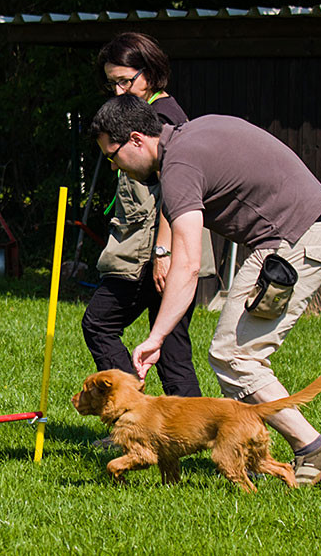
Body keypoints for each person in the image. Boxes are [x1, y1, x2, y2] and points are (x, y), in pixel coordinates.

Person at [89, 95, 321, 486]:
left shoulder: (177, 170)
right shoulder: (197, 130)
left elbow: (188, 264)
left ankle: (313, 448)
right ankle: (291, 450)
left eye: (113, 154)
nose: (113, 165)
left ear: (137, 139)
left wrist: (155, 337)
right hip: (303, 231)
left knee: (232, 356)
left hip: (297, 239)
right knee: (234, 354)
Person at [80, 32, 210, 399]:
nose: (119, 90)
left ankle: (133, 414)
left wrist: (164, 253)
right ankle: (177, 431)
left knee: (100, 322)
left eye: (125, 80)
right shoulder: (141, 111)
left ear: (150, 71)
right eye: (112, 83)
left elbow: (177, 191)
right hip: (149, 247)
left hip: (153, 251)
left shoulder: (165, 117)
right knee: (171, 351)